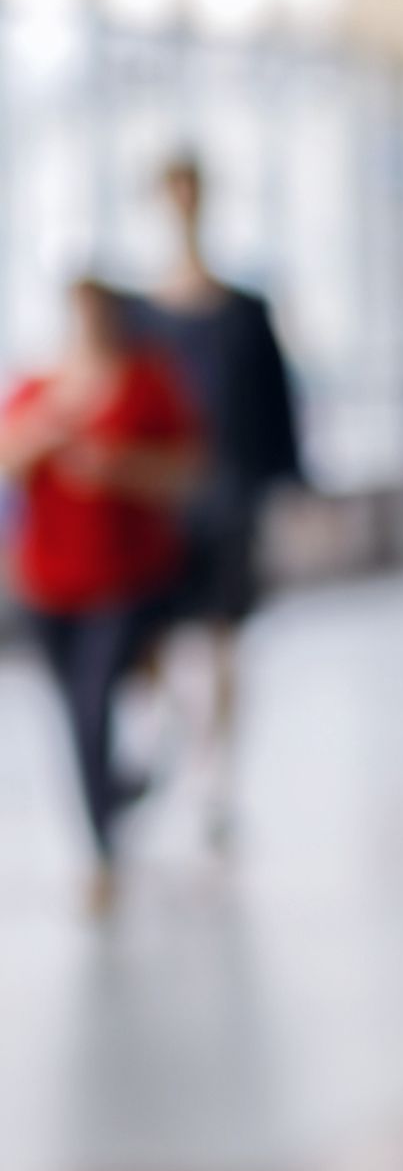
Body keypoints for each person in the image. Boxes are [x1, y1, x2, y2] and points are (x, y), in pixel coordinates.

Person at [1, 281, 200, 913]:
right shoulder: (38, 388)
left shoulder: (147, 383)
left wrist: (115, 466)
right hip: (50, 580)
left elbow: (188, 471)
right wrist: (44, 438)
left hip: (125, 579)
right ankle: (111, 800)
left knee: (93, 707)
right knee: (77, 717)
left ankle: (102, 850)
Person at [138, 154, 304, 835]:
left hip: (230, 491)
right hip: (162, 501)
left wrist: (287, 486)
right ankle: (184, 736)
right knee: (151, 641)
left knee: (225, 640)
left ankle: (218, 777)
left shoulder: (243, 310)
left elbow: (276, 406)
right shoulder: (144, 316)